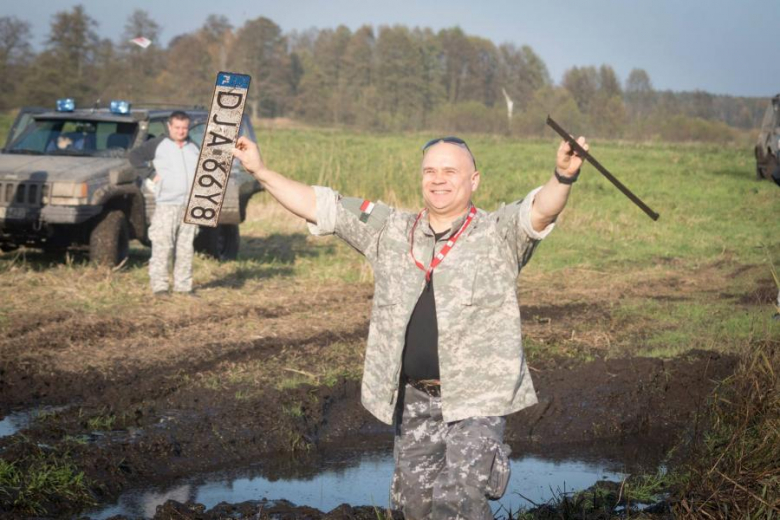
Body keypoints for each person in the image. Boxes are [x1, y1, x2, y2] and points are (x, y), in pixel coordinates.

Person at [232, 133, 588, 519]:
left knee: (459, 500)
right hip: (414, 401)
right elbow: (322, 206)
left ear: (474, 180)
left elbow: (539, 211)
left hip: (476, 399)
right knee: (412, 507)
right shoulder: (390, 229)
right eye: (430, 171)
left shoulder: (498, 233)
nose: (438, 179)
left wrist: (562, 176)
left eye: (450, 171)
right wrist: (260, 171)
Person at [129, 111, 199, 295]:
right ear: (170, 126)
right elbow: (134, 156)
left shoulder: (194, 147)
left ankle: (183, 287)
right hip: (167, 205)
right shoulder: (158, 144)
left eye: (184, 127)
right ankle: (160, 287)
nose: (181, 131)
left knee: (185, 249)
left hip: (189, 206)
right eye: (177, 127)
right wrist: (151, 174)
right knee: (162, 247)